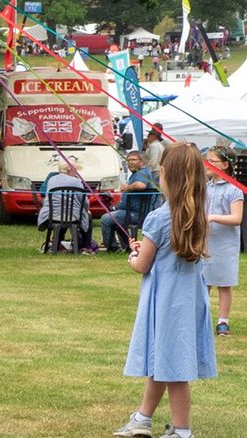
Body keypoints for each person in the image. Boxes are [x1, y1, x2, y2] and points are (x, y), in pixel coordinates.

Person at [114, 144, 216, 438]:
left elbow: (143, 265)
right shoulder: (198, 214)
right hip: (188, 299)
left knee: (174, 367)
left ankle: (181, 431)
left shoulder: (159, 217)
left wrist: (133, 256)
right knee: (164, 359)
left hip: (166, 300)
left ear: (166, 176)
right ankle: (142, 418)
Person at [202, 146, 243, 336]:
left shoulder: (234, 190)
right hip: (206, 243)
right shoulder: (206, 187)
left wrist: (211, 217)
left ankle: (223, 321)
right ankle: (200, 319)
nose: (207, 165)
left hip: (225, 245)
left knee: (224, 284)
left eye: (213, 161)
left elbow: (237, 218)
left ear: (225, 165)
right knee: (204, 282)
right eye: (206, 160)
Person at [101, 151, 154, 254]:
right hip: (128, 212)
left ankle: (112, 249)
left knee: (106, 219)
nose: (130, 162)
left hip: (136, 214)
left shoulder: (142, 172)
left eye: (133, 160)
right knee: (115, 220)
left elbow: (141, 185)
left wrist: (127, 187)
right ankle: (127, 247)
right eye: (128, 160)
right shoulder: (136, 174)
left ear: (142, 161)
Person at [36, 163, 92, 251]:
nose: (76, 172)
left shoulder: (52, 179)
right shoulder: (76, 181)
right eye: (75, 169)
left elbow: (46, 195)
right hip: (71, 214)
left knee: (63, 216)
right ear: (69, 169)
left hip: (51, 214)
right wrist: (87, 209)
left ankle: (56, 245)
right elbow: (83, 200)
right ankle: (86, 247)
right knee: (87, 216)